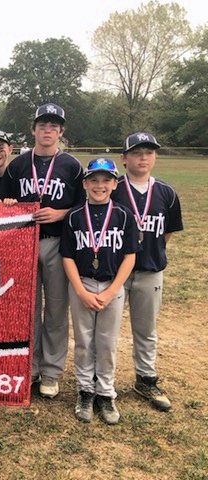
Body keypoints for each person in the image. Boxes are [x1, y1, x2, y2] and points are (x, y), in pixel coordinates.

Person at [0, 103, 85, 398]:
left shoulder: (72, 166)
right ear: (33, 129)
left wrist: (60, 214)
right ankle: (29, 367)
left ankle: (51, 371)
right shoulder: (18, 165)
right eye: (42, 125)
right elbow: (2, 203)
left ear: (60, 132)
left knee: (56, 309)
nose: (47, 130)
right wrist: (9, 207)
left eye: (53, 126)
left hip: (57, 243)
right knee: (28, 310)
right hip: (23, 243)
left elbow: (84, 206)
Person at [61, 158, 138, 424]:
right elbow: (67, 256)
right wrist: (81, 291)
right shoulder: (73, 216)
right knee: (83, 341)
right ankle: (85, 389)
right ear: (84, 183)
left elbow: (130, 256)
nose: (99, 185)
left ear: (115, 184)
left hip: (111, 285)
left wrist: (111, 291)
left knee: (106, 342)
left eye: (106, 180)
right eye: (93, 179)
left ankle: (105, 392)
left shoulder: (124, 215)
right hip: (81, 283)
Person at [111, 132, 183, 412]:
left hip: (150, 269)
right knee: (106, 330)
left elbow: (166, 234)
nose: (143, 157)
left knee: (146, 329)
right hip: (114, 272)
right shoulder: (112, 188)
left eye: (149, 152)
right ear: (124, 158)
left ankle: (145, 378)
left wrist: (150, 254)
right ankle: (100, 379)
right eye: (137, 152)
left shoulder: (166, 192)